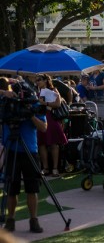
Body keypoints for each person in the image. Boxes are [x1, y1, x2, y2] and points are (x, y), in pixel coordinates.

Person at [1, 79, 47, 234]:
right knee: (11, 189)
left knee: (32, 188)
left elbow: (43, 128)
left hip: (30, 150)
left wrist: (31, 115)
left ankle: (34, 220)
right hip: (12, 149)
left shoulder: (33, 104)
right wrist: (3, 93)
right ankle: (10, 219)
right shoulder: (7, 104)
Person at [35, 74, 68, 177]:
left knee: (54, 143)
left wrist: (45, 103)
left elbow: (58, 104)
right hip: (40, 117)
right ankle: (45, 168)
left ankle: (55, 168)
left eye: (39, 80)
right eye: (36, 80)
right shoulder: (36, 92)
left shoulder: (53, 90)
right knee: (41, 143)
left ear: (45, 80)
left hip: (51, 118)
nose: (37, 82)